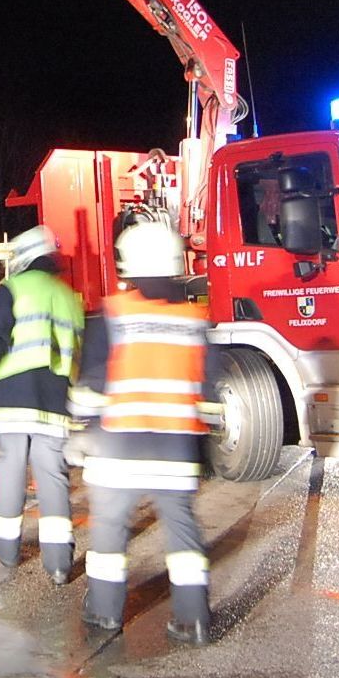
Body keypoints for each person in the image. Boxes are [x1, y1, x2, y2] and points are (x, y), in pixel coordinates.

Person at [67, 222, 222, 645]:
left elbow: (91, 389)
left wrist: (78, 428)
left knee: (109, 534)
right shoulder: (194, 321)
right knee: (183, 532)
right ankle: (194, 620)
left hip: (121, 448)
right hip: (175, 448)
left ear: (128, 266)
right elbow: (208, 394)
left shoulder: (115, 314)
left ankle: (104, 613)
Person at [0, 224, 84, 584]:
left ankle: (5, 552)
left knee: (9, 474)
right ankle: (59, 564)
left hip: (13, 402)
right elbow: (77, 354)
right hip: (55, 404)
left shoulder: (11, 291)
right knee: (52, 478)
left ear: (23, 259)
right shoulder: (67, 297)